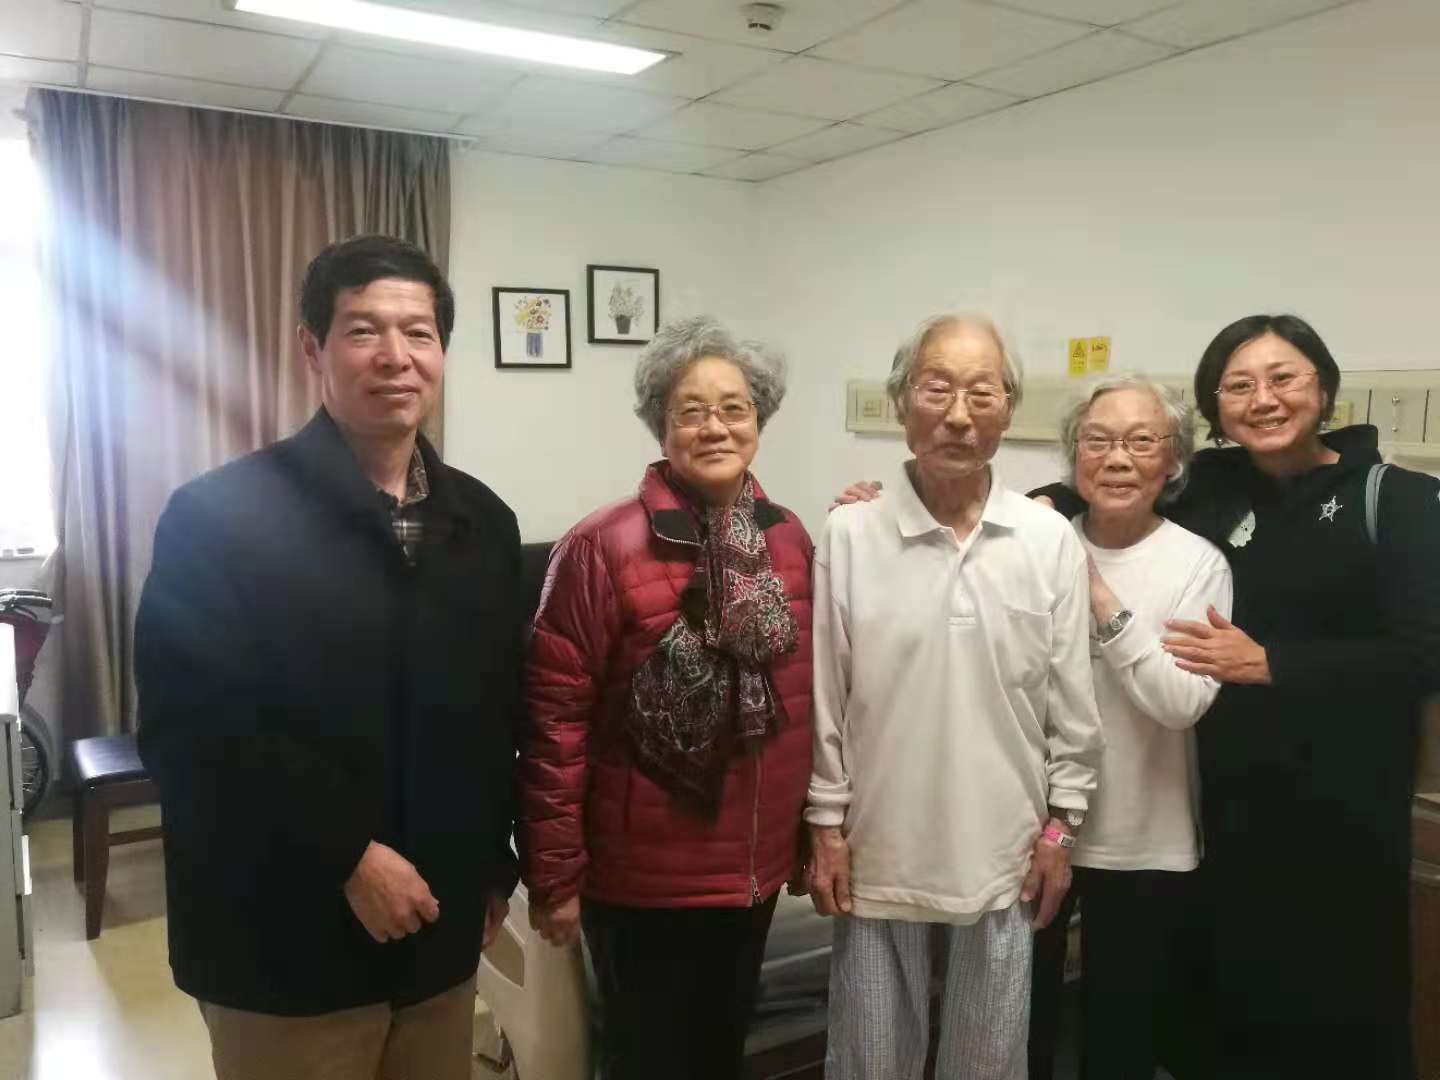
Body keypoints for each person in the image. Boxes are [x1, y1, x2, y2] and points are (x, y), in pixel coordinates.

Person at [135, 235, 520, 1080]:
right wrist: (346, 853)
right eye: (363, 330)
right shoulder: (219, 517)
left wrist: (495, 865)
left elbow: (496, 714)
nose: (396, 356)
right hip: (282, 944)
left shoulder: (483, 524)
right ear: (312, 347)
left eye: (419, 333)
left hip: (438, 931)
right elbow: (190, 730)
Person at [1033, 315, 1440, 1079]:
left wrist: (1275, 663)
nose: (1263, 399)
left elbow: (1426, 654)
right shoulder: (1214, 485)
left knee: (1340, 1004)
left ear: (1324, 387)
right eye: (1239, 385)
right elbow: (1112, 471)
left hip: (1341, 809)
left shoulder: (1403, 500)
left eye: (1283, 378)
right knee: (1225, 1007)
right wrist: (1016, 508)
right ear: (1216, 407)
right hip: (1226, 804)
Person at [806, 313, 1103, 1080]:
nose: (959, 415)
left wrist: (1061, 829)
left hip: (1006, 847)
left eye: (983, 392)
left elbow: (1072, 703)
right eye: (936, 388)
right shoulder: (850, 533)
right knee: (871, 1058)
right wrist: (826, 826)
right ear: (901, 402)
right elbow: (828, 695)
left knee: (989, 1057)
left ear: (1009, 408)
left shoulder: (1047, 540)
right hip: (879, 846)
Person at [519, 315, 814, 1080]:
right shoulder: (601, 545)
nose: (715, 427)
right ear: (661, 424)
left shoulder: (788, 539)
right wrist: (553, 875)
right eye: (692, 410)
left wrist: (807, 840)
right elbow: (555, 722)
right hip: (642, 880)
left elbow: (805, 703)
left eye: (734, 408)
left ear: (759, 420)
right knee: (647, 1061)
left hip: (752, 870)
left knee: (719, 1057)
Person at [1025, 375, 1231, 1080]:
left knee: (1121, 1040)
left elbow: (1180, 703)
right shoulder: (1032, 542)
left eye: (1142, 442)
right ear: (1073, 453)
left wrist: (1096, 593)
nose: (1117, 458)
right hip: (1032, 833)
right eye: (1098, 440)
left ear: (1172, 461)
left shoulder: (1198, 563)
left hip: (1146, 840)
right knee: (1019, 1026)